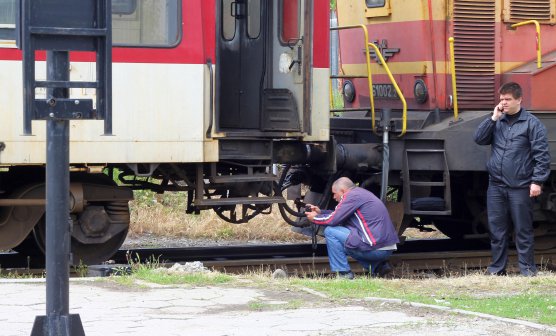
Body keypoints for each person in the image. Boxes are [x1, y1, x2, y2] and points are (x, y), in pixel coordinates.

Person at [474, 82, 551, 276]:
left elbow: (541, 155)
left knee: (523, 230)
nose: (504, 103)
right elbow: (479, 139)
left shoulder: (532, 124)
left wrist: (537, 181)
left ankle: (527, 269)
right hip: (496, 186)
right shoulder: (497, 121)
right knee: (497, 231)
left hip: (520, 186)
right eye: (501, 99)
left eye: (508, 99)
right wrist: (492, 118)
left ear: (519, 100)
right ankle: (497, 268)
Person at [305, 177, 399, 279]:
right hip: (384, 247)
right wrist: (321, 212)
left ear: (342, 191)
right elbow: (339, 215)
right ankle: (378, 267)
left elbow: (333, 220)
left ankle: (343, 273)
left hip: (376, 249)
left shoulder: (351, 197)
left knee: (331, 232)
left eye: (334, 193)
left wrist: (315, 218)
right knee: (346, 241)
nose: (333, 197)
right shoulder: (360, 194)